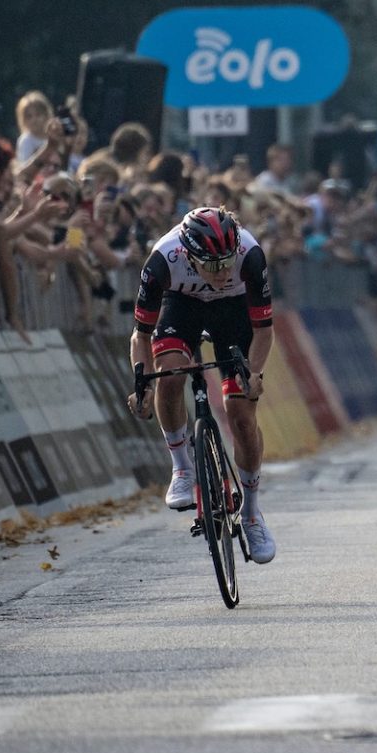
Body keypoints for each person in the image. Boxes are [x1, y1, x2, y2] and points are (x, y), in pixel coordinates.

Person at [126, 207, 278, 563]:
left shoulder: (250, 255)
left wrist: (254, 375)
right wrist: (142, 381)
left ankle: (253, 513)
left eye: (226, 262)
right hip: (183, 307)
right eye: (211, 265)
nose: (222, 271)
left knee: (241, 415)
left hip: (234, 312)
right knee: (170, 374)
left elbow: (264, 331)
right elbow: (141, 335)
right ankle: (181, 466)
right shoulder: (164, 258)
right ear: (188, 253)